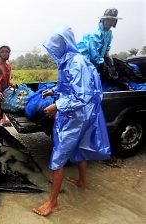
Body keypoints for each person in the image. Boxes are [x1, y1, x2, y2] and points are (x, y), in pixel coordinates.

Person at [32, 26, 111, 216]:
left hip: (75, 115)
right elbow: (69, 87)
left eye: (56, 46)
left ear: (64, 44)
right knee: (79, 147)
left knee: (58, 156)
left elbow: (81, 95)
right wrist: (55, 91)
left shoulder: (76, 62)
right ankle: (83, 181)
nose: (53, 50)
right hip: (78, 113)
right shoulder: (69, 61)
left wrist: (57, 105)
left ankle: (52, 203)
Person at [77, 8, 127, 89]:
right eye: (107, 19)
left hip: (95, 60)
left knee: (111, 72)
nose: (108, 22)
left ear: (115, 22)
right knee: (87, 84)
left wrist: (109, 62)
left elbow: (106, 50)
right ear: (103, 19)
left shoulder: (109, 34)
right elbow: (94, 56)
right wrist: (103, 65)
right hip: (84, 61)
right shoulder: (95, 34)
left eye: (111, 20)